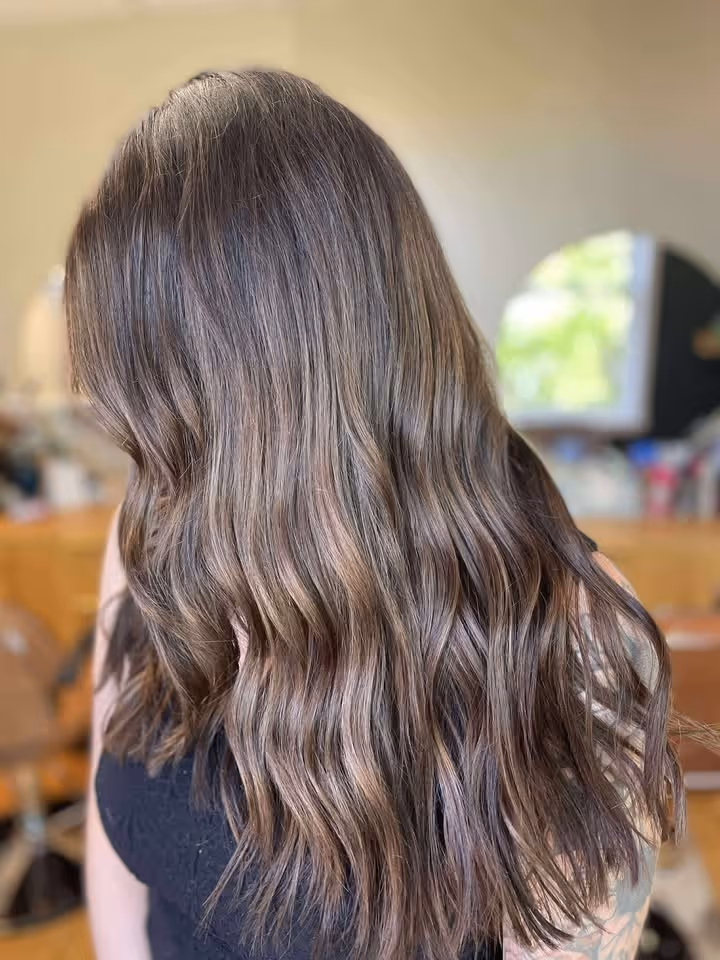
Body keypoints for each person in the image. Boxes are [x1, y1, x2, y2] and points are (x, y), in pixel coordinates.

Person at [65, 70, 685, 960]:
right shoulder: (157, 531)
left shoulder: (564, 643)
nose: (117, 421)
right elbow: (117, 865)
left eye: (149, 391)